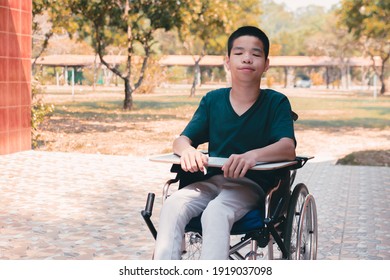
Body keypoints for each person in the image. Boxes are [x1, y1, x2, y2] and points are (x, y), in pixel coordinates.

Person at [153, 26, 296, 260]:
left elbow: (287, 147)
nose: (247, 58)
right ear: (227, 61)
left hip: (251, 186)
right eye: (239, 53)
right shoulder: (213, 100)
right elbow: (181, 140)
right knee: (173, 204)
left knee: (215, 212)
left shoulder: (276, 102)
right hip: (211, 180)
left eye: (256, 54)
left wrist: (252, 156)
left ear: (266, 64)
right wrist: (188, 151)